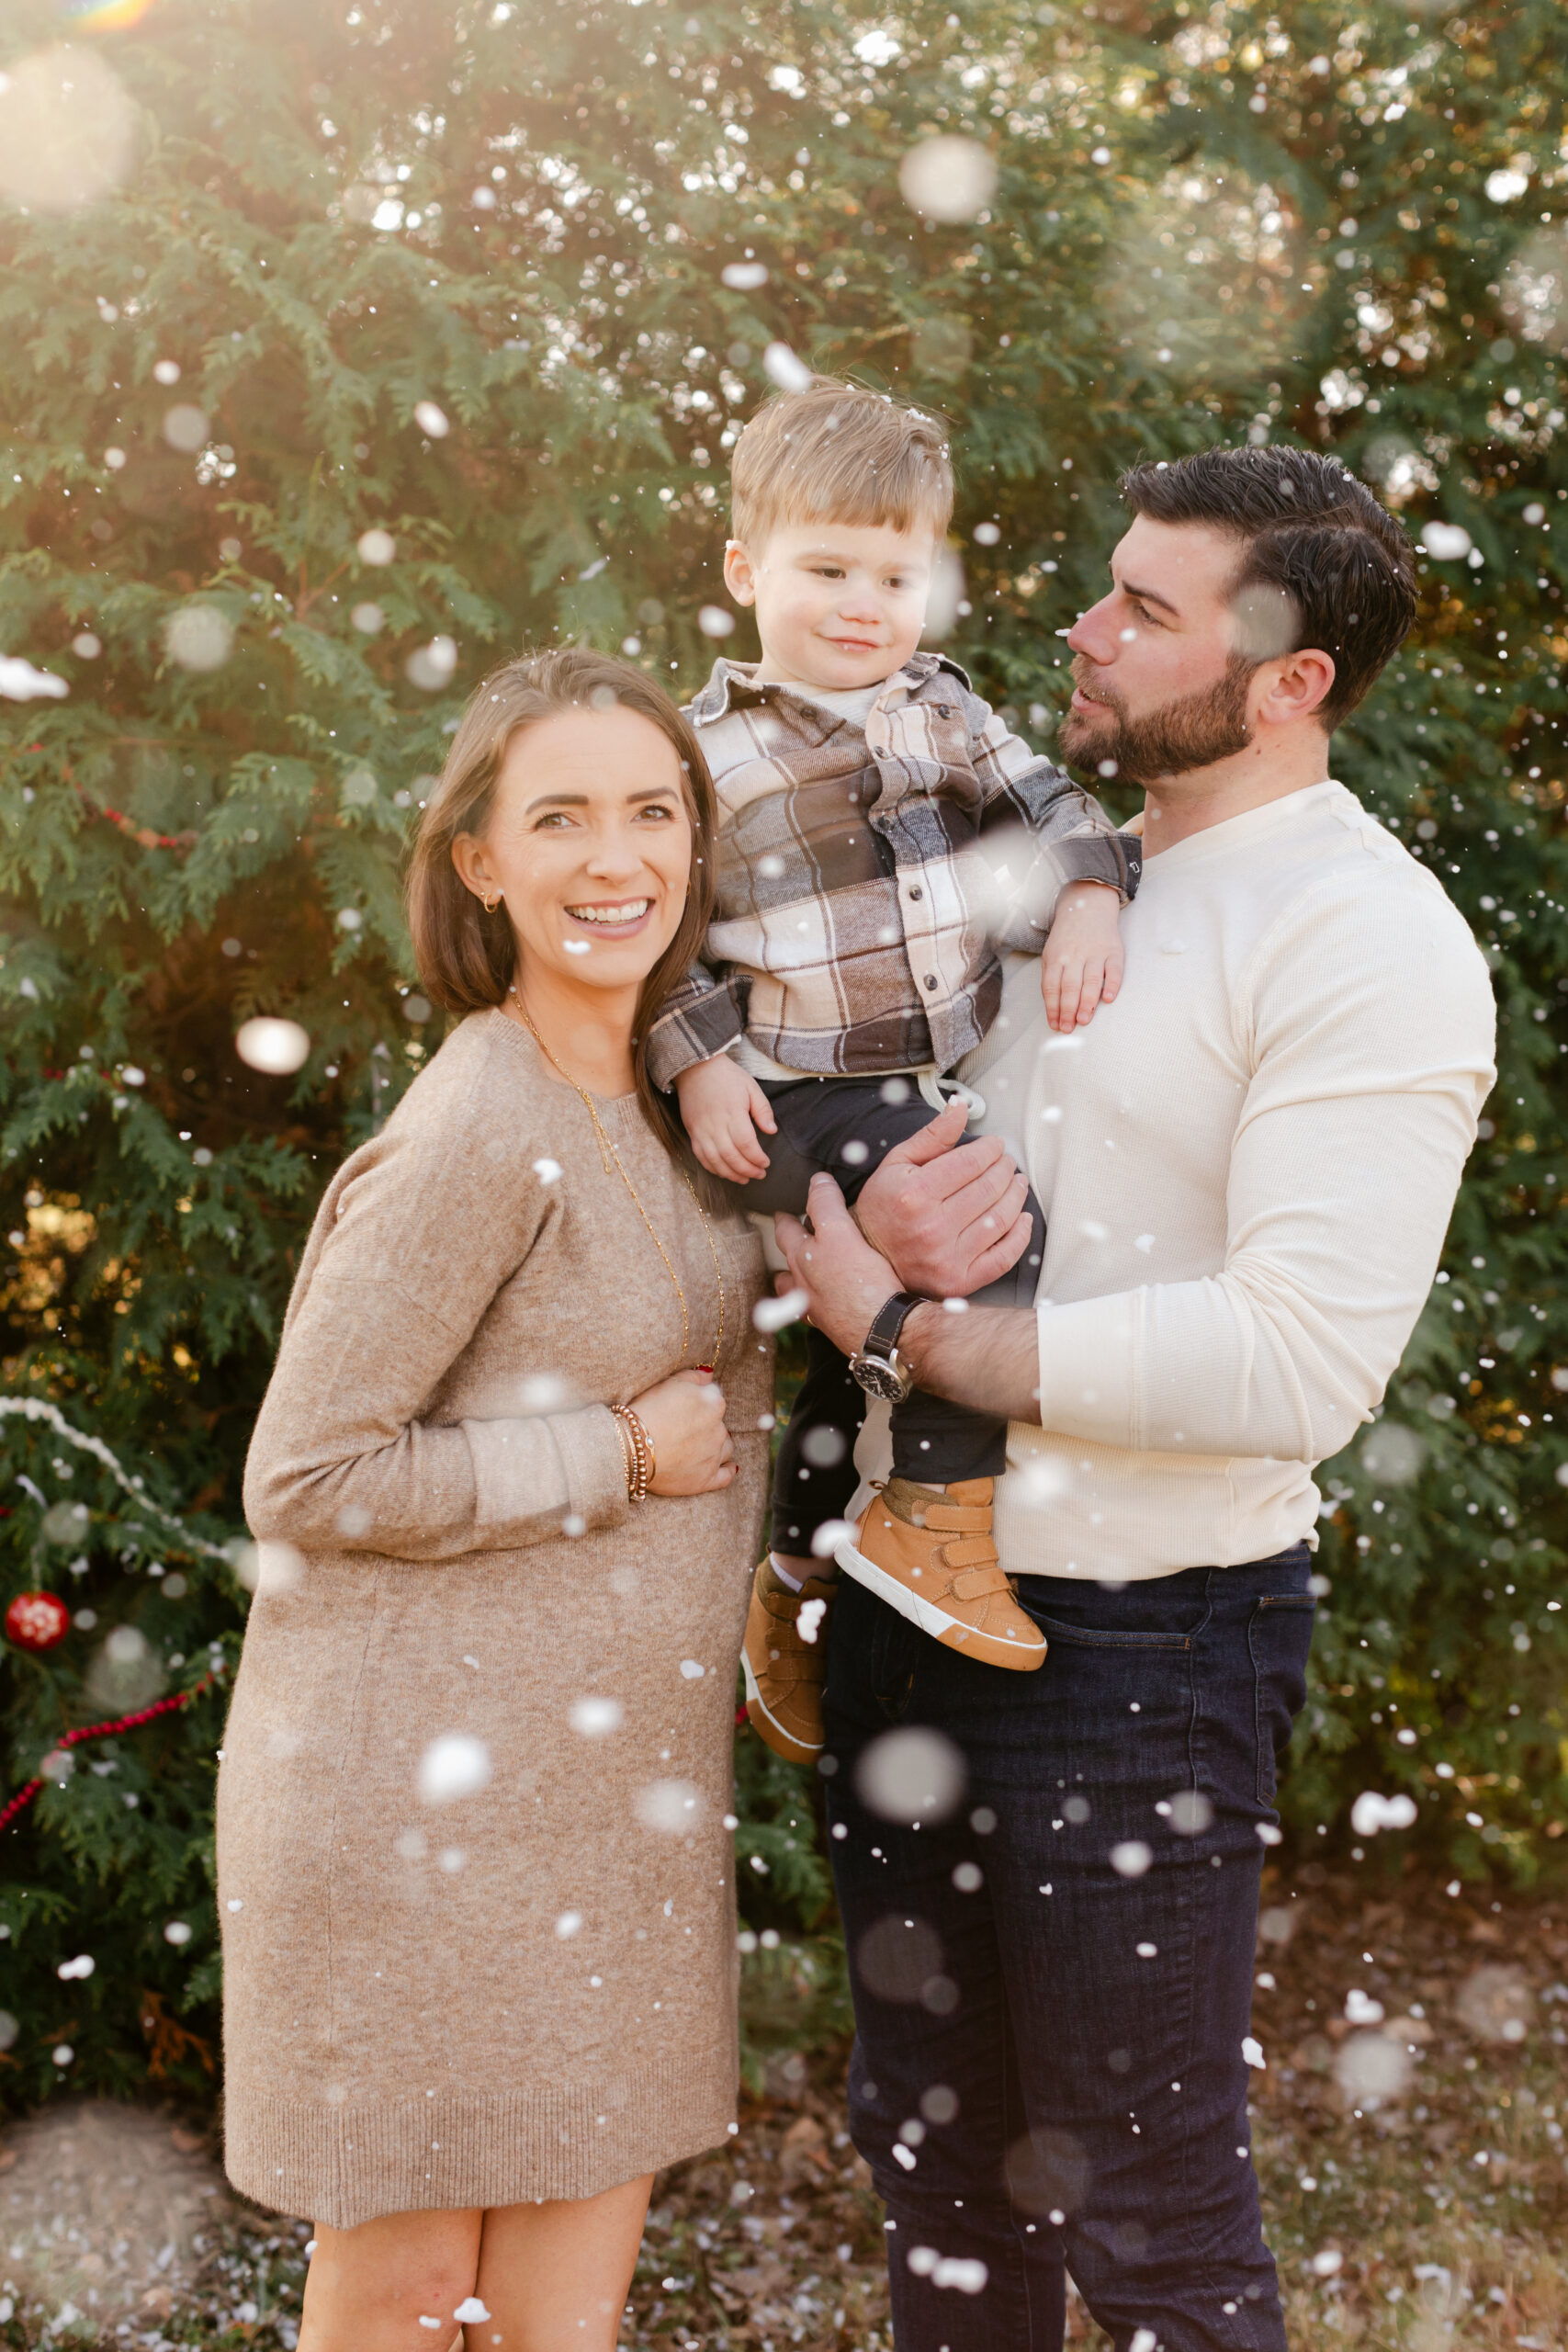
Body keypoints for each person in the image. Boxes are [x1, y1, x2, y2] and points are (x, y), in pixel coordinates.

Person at [773, 445, 1498, 2352]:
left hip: (1136, 1650)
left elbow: (1293, 1364)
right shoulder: (1029, 879)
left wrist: (908, 1336)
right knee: (935, 2179)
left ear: (1288, 678)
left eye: (1143, 609)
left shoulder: (1363, 938)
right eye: (1106, 586)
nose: (1083, 631)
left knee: (1147, 2215)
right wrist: (868, 1225)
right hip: (903, 1607)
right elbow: (860, 1128)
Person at [217, 649, 772, 2352]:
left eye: (650, 812)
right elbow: (305, 1471)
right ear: (481, 861)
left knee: (560, 2317)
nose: (617, 862)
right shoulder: (480, 1121)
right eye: (561, 820)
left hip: (609, 1809)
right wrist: (609, 1455)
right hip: (416, 1806)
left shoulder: (679, 1099)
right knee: (398, 2299)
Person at [646, 376, 1141, 1763]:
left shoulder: (943, 709)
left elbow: (1051, 800)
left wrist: (1092, 890)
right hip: (788, 1091)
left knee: (834, 1371)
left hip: (920, 1074)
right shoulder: (703, 748)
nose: (863, 604)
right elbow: (651, 923)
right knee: (990, 1235)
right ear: (748, 571)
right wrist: (696, 1064)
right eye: (826, 570)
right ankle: (937, 1515)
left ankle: (799, 1578)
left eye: (895, 573)